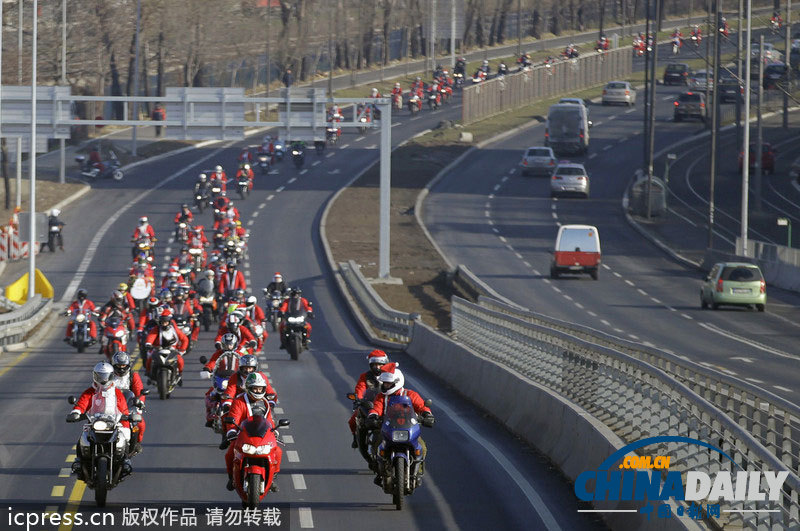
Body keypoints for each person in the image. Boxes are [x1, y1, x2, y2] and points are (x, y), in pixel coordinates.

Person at [366, 363, 434, 485]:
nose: (385, 386)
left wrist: (427, 415)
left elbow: (422, 406)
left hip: (408, 429)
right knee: (376, 445)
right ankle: (380, 472)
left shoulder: (410, 395)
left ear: (397, 382)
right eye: (384, 383)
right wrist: (373, 416)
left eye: (388, 383)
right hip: (387, 429)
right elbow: (376, 408)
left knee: (422, 447)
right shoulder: (381, 397)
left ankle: (417, 474)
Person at [67, 362, 133, 480]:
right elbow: (81, 404)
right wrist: (75, 413)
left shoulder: (117, 392)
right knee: (83, 437)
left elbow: (124, 409)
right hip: (95, 422)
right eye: (100, 376)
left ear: (111, 376)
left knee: (124, 438)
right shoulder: (90, 391)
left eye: (106, 376)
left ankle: (125, 461)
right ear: (95, 376)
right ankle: (78, 461)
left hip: (113, 422)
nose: (103, 380)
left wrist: (128, 416)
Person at [222, 372, 282, 493]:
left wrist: (274, 432)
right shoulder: (239, 401)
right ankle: (231, 477)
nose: (258, 391)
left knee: (278, 451)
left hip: (262, 437)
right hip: (243, 436)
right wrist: (232, 431)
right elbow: (234, 417)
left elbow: (269, 420)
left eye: (260, 389)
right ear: (249, 388)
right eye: (255, 388)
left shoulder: (265, 402)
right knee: (230, 453)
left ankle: (273, 477)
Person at [348, 350, 389, 448]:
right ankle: (356, 438)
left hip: (388, 404)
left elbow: (399, 387)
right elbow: (360, 388)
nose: (377, 367)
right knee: (353, 421)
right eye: (375, 365)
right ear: (371, 365)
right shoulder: (365, 376)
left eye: (380, 364)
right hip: (370, 404)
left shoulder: (390, 375)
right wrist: (359, 399)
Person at [111, 352, 146, 454]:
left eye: (123, 366)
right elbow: (99, 389)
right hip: (109, 405)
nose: (121, 368)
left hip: (128, 405)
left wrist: (139, 402)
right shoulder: (108, 375)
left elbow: (139, 391)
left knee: (140, 423)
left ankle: (137, 443)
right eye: (118, 366)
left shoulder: (133, 375)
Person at [143, 310, 188, 377]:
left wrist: (182, 349)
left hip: (172, 349)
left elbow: (184, 339)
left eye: (166, 322)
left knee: (180, 360)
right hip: (158, 348)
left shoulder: (175, 329)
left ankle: (179, 373)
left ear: (169, 322)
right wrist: (148, 344)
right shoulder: (156, 329)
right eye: (162, 322)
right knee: (150, 359)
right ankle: (149, 372)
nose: (164, 324)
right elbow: (151, 336)